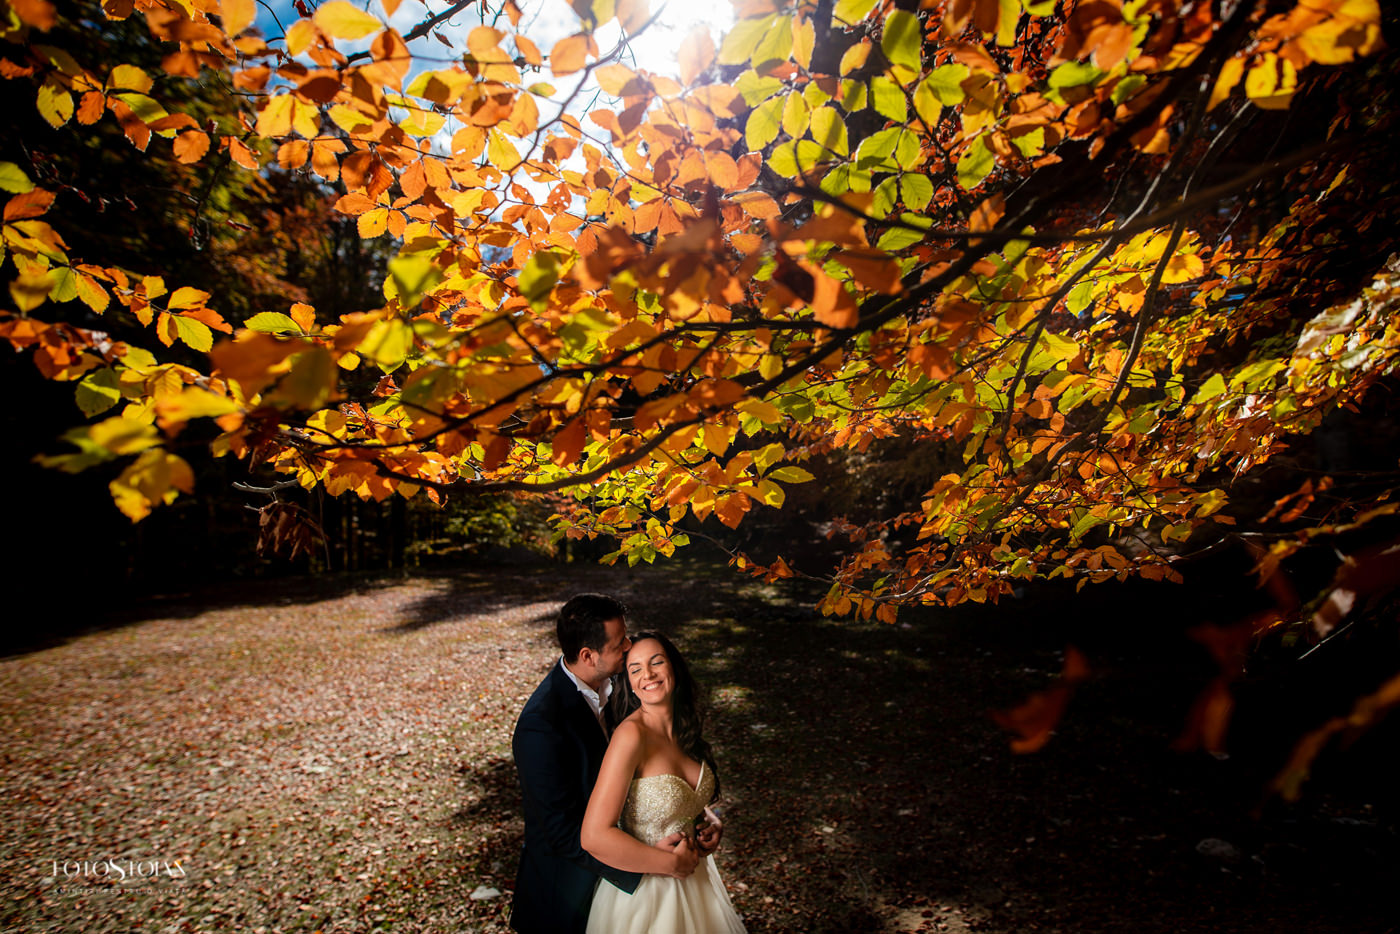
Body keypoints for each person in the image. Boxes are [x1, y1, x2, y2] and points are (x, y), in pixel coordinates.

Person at [510, 595, 707, 934]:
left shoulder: (620, 684)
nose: (629, 646)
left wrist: (698, 818)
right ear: (588, 656)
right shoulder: (542, 725)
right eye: (619, 644)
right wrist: (653, 862)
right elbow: (561, 834)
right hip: (569, 893)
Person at [581, 631, 747, 934]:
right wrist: (669, 864)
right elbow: (593, 836)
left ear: (674, 667)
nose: (648, 674)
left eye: (657, 662)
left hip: (696, 886)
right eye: (635, 669)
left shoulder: (685, 729)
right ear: (629, 683)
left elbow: (682, 800)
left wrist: (711, 819)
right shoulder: (631, 736)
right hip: (647, 897)